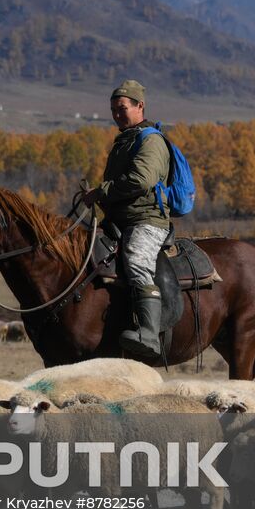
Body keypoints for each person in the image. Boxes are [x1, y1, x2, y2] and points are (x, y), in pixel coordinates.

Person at [81, 80, 170, 362]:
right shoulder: (125, 140)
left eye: (122, 108)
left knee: (135, 259)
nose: (117, 114)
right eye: (113, 110)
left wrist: (101, 191)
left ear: (140, 106)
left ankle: (148, 333)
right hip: (119, 219)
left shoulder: (151, 140)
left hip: (146, 219)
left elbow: (141, 180)